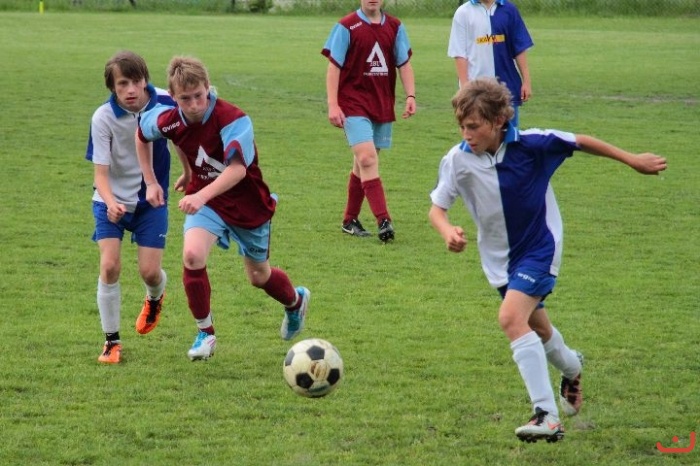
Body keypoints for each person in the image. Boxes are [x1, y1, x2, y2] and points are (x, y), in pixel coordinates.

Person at [428, 78, 667, 442]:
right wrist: (447, 231)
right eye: (462, 126)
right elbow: (436, 209)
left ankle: (546, 416)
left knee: (510, 318)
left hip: (540, 248)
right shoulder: (457, 160)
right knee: (539, 330)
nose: (467, 134)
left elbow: (580, 141)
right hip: (499, 261)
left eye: (474, 126)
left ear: (498, 120)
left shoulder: (533, 144)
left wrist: (632, 160)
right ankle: (572, 368)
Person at [136, 56, 310, 361]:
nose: (193, 105)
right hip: (209, 204)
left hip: (248, 205)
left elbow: (237, 170)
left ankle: (295, 302)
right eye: (185, 99)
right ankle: (206, 334)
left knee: (259, 277)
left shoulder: (233, 119)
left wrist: (200, 195)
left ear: (208, 86)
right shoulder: (169, 118)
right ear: (173, 96)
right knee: (192, 255)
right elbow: (143, 134)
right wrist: (155, 181)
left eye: (199, 95)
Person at [86, 50, 179, 364]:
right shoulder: (103, 117)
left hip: (151, 202)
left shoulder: (167, 101)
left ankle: (154, 297)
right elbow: (100, 174)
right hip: (109, 201)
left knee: (150, 272)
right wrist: (112, 203)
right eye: (122, 83)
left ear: (145, 80)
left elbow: (199, 112)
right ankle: (111, 342)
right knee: (109, 266)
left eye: (135, 81)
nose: (130, 89)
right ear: (112, 88)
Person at [322, 0, 416, 242]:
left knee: (362, 164)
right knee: (367, 158)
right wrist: (333, 104)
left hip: (381, 104)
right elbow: (333, 68)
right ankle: (384, 220)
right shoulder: (346, 26)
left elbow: (404, 64)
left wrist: (410, 95)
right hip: (352, 104)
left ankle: (349, 220)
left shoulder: (395, 27)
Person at [447, 0, 533, 127]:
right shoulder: (463, 13)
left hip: (507, 89)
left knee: (509, 135)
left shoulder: (509, 10)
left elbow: (519, 48)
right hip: (476, 92)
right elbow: (460, 53)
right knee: (478, 133)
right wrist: (465, 88)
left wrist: (526, 81)